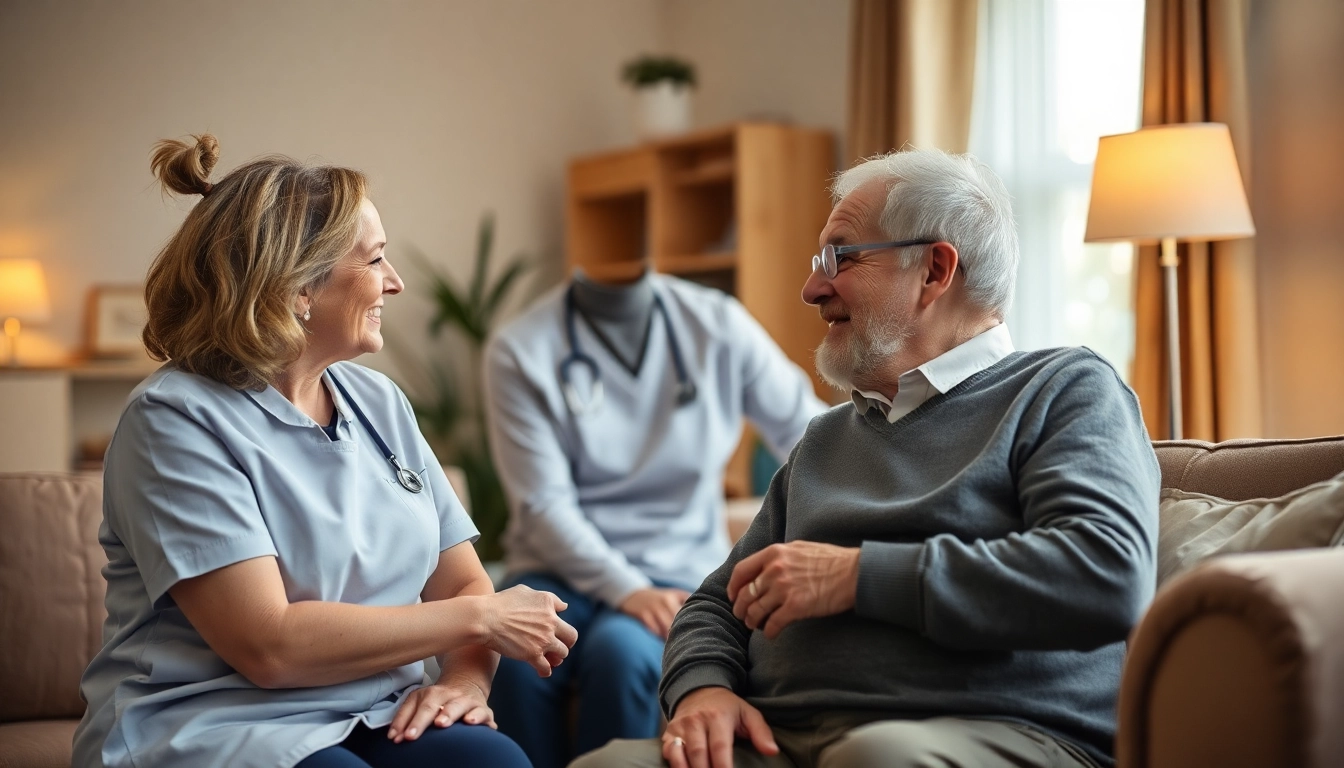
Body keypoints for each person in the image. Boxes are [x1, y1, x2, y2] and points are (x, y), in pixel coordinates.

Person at [574, 148, 1161, 768]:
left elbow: (1106, 571)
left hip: (996, 732)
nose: (811, 289)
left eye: (839, 257)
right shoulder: (827, 438)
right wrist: (703, 689)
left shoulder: (1064, 389)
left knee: (876, 758)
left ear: (934, 270)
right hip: (786, 741)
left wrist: (855, 577)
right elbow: (716, 603)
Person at [72, 134, 578, 768]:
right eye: (373, 261)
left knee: (492, 761)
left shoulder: (378, 402)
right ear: (296, 289)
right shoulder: (175, 421)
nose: (394, 283)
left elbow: (461, 580)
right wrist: (481, 618)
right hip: (213, 720)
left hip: (371, 709)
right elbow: (269, 646)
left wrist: (463, 684)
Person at [483, 266, 829, 768]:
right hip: (557, 567)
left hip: (678, 563)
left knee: (622, 657)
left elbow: (811, 435)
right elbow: (542, 506)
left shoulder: (716, 325)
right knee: (515, 663)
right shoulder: (521, 348)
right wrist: (626, 589)